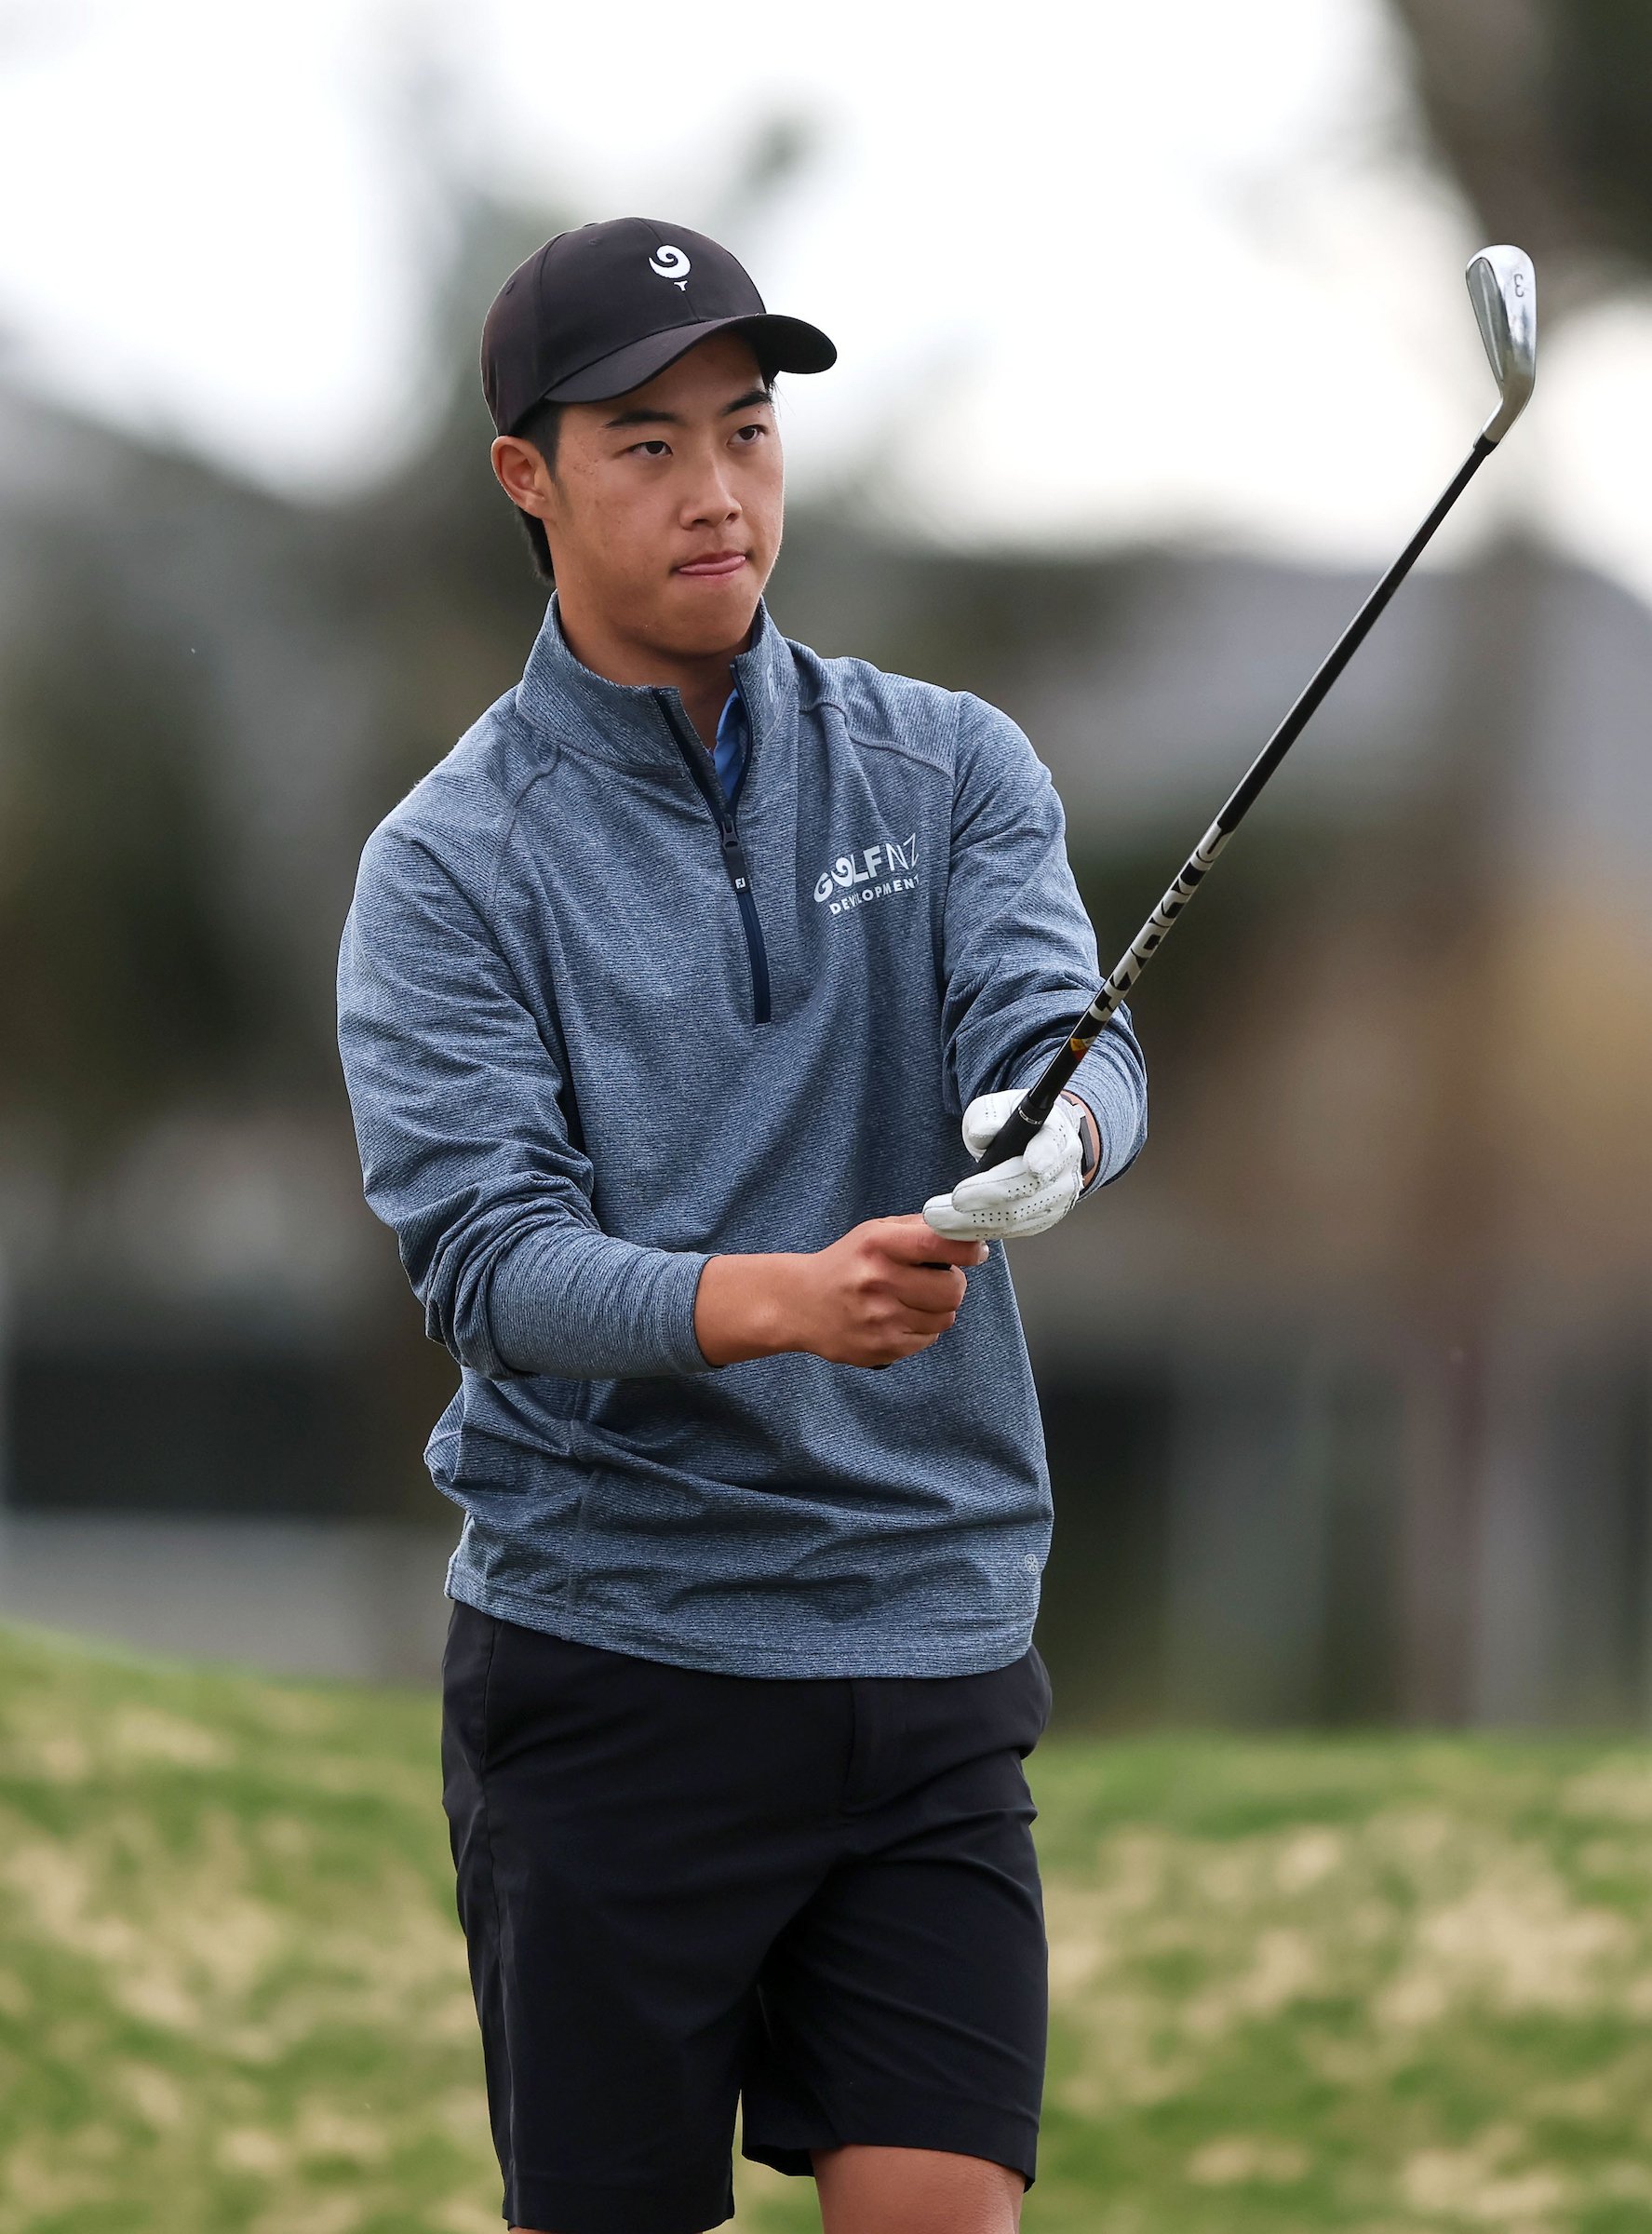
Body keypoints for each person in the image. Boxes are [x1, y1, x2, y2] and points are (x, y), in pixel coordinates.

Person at [335, 216, 1148, 2234]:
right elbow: (491, 1269)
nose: (717, 490)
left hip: (931, 1634)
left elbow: (1068, 1030)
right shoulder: (450, 869)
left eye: (750, 429)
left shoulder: (950, 763)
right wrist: (780, 1299)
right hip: (615, 1667)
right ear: (528, 475)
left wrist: (1066, 1134)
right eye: (646, 443)